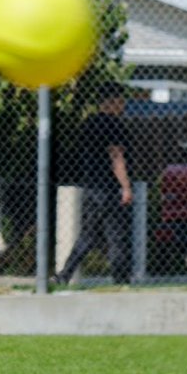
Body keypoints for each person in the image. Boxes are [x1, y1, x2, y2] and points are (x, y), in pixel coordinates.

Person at [55, 82, 134, 285]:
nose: (123, 106)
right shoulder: (115, 125)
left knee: (88, 235)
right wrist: (125, 186)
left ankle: (64, 274)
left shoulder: (88, 123)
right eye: (121, 101)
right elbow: (116, 157)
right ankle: (121, 279)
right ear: (113, 102)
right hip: (108, 187)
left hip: (90, 187)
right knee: (116, 235)